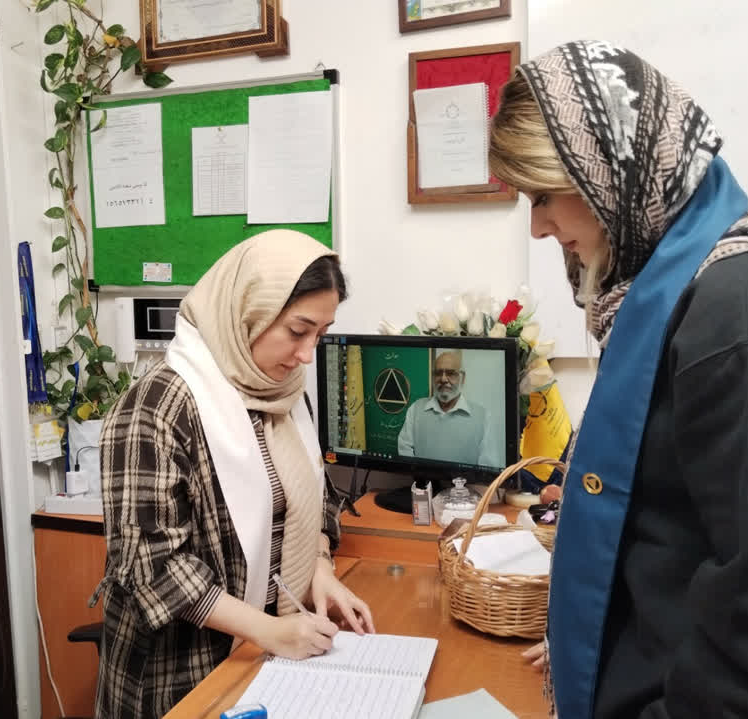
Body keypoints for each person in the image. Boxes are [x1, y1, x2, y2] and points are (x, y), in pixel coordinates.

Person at [489, 41, 748, 718]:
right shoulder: (676, 292)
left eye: (544, 194)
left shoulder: (743, 307)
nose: (537, 226)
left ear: (608, 171)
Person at [90, 230, 376, 719]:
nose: (307, 354)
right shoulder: (156, 408)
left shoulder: (284, 393)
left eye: (320, 334)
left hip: (264, 659)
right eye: (297, 330)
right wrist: (268, 631)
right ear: (248, 312)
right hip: (179, 676)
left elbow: (314, 498)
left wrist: (319, 570)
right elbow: (153, 566)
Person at [396, 349, 500, 467]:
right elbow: (404, 449)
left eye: (450, 373)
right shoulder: (416, 409)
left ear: (463, 378)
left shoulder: (482, 417)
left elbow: (488, 466)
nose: (443, 379)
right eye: (438, 373)